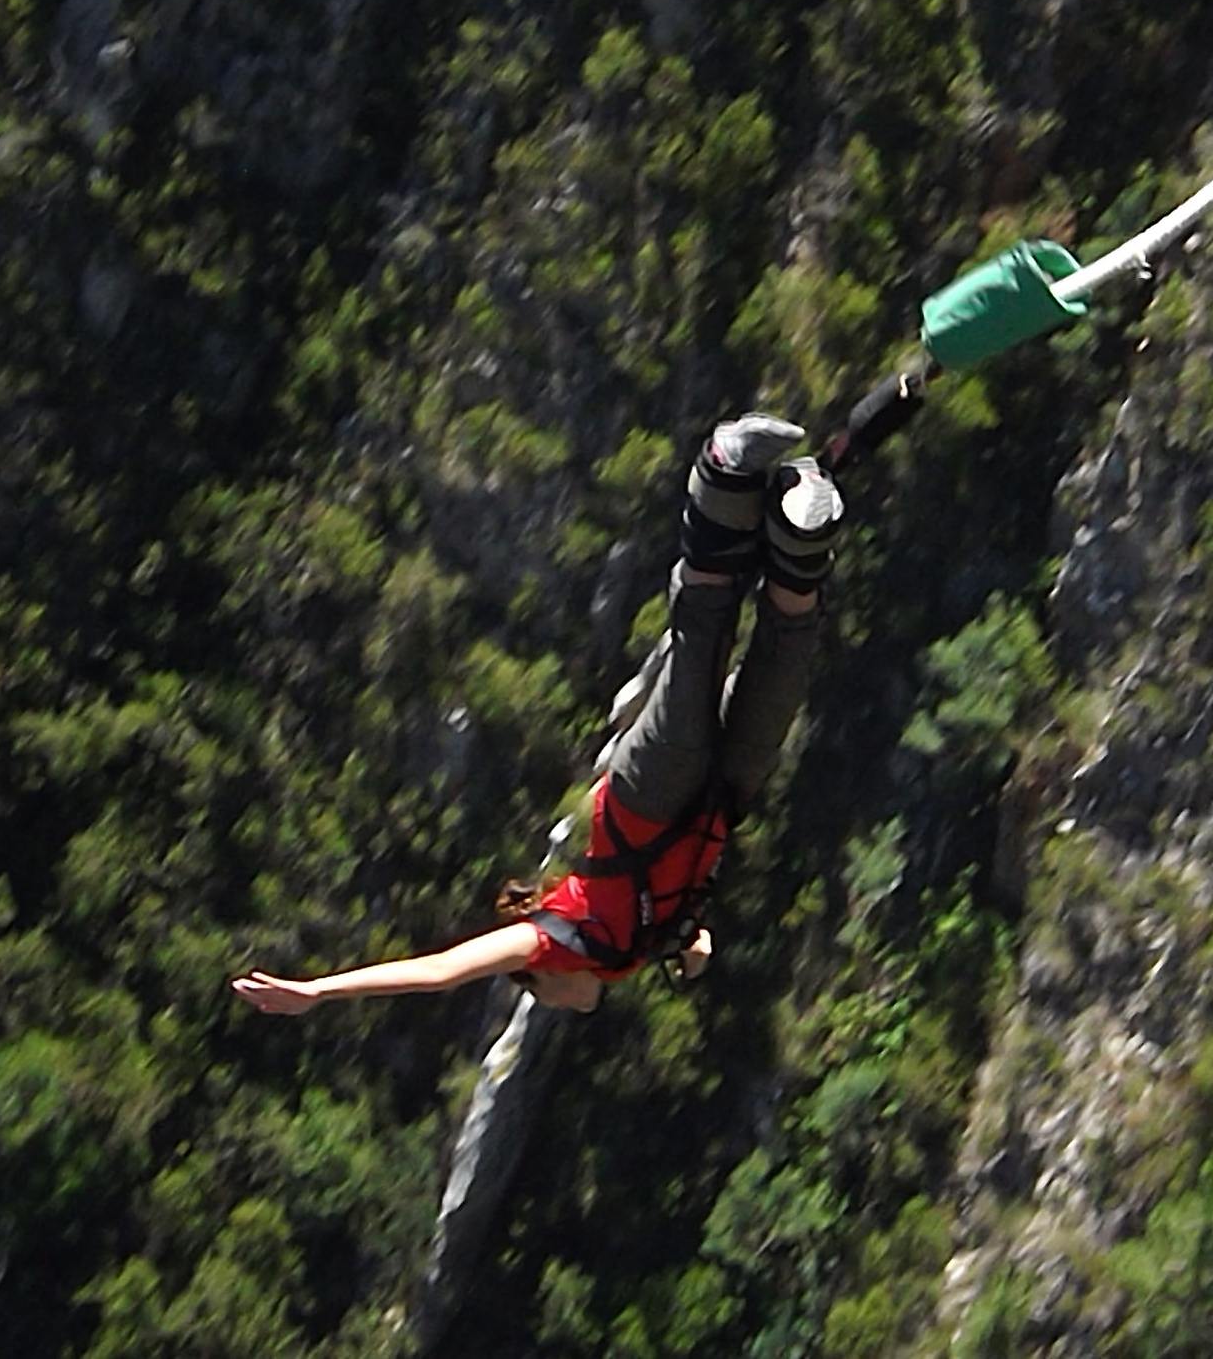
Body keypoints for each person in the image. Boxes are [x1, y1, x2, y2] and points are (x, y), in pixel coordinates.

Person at [231, 413, 843, 1016]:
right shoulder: (625, 956)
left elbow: (440, 972)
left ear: (542, 974)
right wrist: (693, 945)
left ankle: (724, 475)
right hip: (719, 798)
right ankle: (800, 536)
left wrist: (318, 991)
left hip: (647, 797)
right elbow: (676, 910)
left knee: (699, 655)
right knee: (782, 674)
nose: (563, 1006)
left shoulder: (553, 936)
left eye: (540, 995)